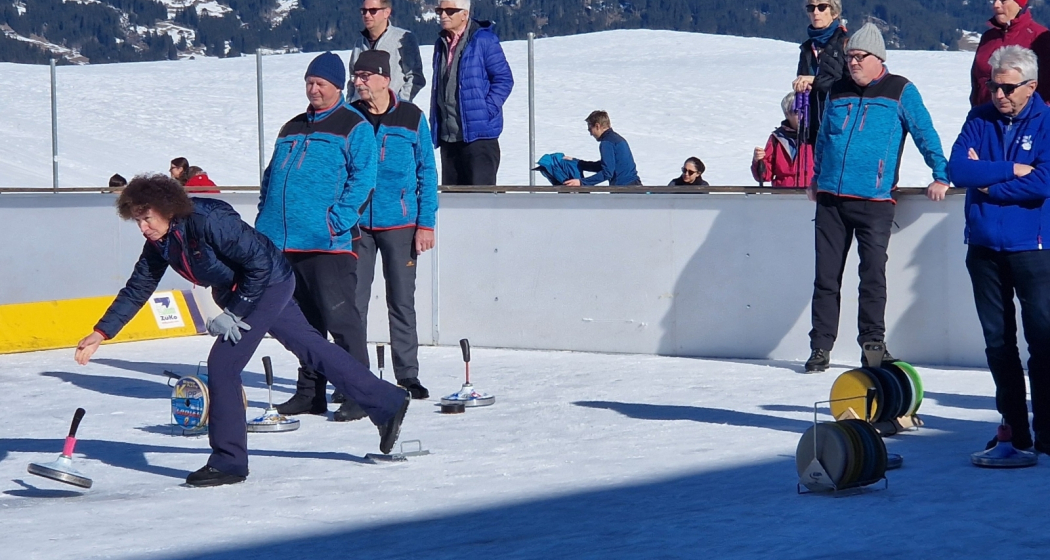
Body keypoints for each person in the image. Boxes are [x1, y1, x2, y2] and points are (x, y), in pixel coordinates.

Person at [74, 174, 410, 487]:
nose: (143, 228)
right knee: (311, 346)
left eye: (147, 218)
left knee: (222, 365)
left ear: (168, 209)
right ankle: (386, 399)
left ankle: (229, 461)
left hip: (268, 282)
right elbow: (137, 288)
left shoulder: (208, 220)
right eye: (137, 220)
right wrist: (101, 333)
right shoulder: (161, 243)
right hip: (241, 290)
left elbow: (260, 266)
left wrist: (234, 312)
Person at [804, 23, 950, 373]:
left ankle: (872, 343)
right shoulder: (837, 91)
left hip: (874, 202)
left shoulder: (900, 90)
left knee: (872, 275)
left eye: (859, 57)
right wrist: (816, 177)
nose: (852, 62)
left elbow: (924, 133)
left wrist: (940, 174)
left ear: (878, 59)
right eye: (849, 56)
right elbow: (824, 138)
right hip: (831, 200)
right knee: (825, 277)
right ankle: (820, 347)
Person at [255, 51, 379, 423]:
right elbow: (271, 175)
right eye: (309, 82)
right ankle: (311, 393)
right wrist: (265, 213)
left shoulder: (353, 126)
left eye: (320, 84)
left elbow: (363, 179)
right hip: (283, 242)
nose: (313, 89)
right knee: (304, 326)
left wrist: (336, 220)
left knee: (341, 320)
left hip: (327, 243)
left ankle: (361, 392)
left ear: (337, 87)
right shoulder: (291, 127)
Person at [950, 46, 1050, 453]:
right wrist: (1010, 170)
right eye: (993, 85)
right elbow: (958, 169)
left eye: (1008, 87)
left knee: (1042, 342)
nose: (999, 94)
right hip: (984, 247)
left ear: (1031, 86)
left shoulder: (1046, 122)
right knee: (997, 343)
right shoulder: (979, 118)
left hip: (1033, 249)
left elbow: (1044, 182)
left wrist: (987, 182)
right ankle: (1013, 426)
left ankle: (1046, 428)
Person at [349, 51, 439, 400]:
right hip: (357, 227)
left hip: (401, 224)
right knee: (353, 303)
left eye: (365, 76)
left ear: (385, 79)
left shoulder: (411, 117)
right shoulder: (349, 117)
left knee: (401, 300)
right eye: (356, 76)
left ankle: (407, 375)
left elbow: (427, 173)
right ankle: (354, 376)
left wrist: (425, 224)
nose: (359, 82)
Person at [430, 0, 514, 186]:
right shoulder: (441, 43)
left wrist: (486, 110)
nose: (443, 15)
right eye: (440, 10)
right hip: (449, 138)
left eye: (450, 11)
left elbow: (504, 79)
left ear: (464, 14)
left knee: (480, 204)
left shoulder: (484, 40)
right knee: (455, 205)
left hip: (480, 139)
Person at [970, 0, 1050, 107]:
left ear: (1020, 4)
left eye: (1003, 1)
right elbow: (977, 81)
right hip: (984, 118)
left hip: (1024, 120)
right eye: (994, 0)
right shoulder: (988, 37)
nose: (996, 5)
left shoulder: (1040, 39)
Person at [794, 0, 848, 145]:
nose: (815, 12)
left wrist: (815, 81)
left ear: (835, 12)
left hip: (841, 130)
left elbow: (850, 85)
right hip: (813, 134)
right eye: (811, 8)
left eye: (822, 7)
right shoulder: (806, 49)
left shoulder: (846, 45)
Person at [349, 0, 426, 102]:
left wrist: (399, 104)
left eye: (373, 11)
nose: (367, 15)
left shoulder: (403, 39)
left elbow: (415, 78)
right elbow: (352, 78)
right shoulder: (359, 44)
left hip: (392, 113)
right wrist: (351, 103)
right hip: (361, 112)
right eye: (364, 11)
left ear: (387, 12)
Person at [751, 92, 814, 188]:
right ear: (787, 114)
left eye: (806, 110)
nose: (803, 115)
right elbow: (764, 176)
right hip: (783, 196)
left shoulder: (817, 136)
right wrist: (758, 160)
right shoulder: (777, 138)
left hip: (812, 195)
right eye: (798, 112)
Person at [563, 111, 641, 187]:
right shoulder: (616, 139)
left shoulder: (607, 143)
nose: (590, 134)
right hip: (635, 186)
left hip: (624, 190)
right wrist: (578, 163)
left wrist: (581, 182)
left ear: (597, 126)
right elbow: (604, 166)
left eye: (590, 129)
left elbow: (607, 172)